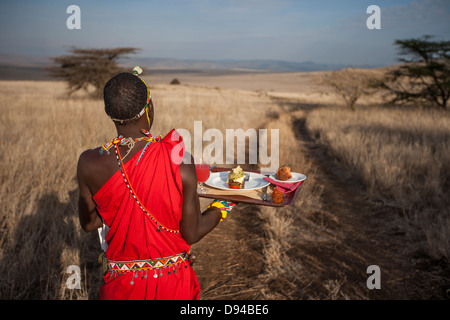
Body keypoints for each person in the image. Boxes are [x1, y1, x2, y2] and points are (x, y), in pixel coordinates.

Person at [76, 67, 235, 300]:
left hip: (122, 286)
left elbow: (89, 224)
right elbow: (192, 233)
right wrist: (225, 204)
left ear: (109, 112)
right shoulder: (180, 158)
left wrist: (120, 208)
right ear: (149, 107)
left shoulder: (89, 162)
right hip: (174, 282)